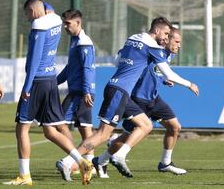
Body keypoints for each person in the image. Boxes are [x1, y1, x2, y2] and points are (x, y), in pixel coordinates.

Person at [56, 17, 198, 181]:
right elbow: (169, 74)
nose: (166, 37)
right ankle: (67, 162)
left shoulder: (133, 39)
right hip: (119, 91)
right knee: (102, 134)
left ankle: (118, 156)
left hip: (119, 90)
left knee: (145, 125)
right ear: (157, 31)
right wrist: (189, 84)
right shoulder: (152, 46)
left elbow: (117, 61)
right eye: (166, 33)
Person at [3, 0, 93, 186]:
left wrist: (26, 88)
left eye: (27, 13)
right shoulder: (55, 20)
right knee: (51, 131)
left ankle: (24, 175)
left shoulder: (38, 24)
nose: (28, 18)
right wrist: (43, 5)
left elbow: (34, 60)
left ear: (34, 11)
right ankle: (82, 161)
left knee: (22, 128)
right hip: (51, 81)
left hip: (36, 82)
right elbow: (47, 7)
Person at [93, 27, 189, 178]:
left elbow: (156, 73)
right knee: (127, 135)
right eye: (176, 41)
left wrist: (165, 80)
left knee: (174, 127)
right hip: (138, 99)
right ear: (167, 39)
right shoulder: (152, 49)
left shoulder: (167, 55)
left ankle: (165, 163)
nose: (179, 45)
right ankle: (101, 160)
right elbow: (132, 65)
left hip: (154, 99)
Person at [54, 9, 96, 181]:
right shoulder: (74, 41)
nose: (65, 26)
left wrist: (87, 90)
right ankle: (89, 164)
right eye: (64, 23)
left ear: (78, 23)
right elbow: (70, 68)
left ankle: (75, 160)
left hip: (81, 92)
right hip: (78, 91)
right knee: (85, 129)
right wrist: (53, 83)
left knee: (58, 123)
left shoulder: (83, 42)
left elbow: (87, 68)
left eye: (68, 23)